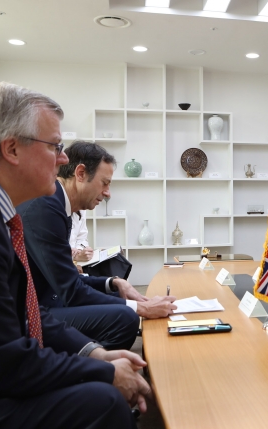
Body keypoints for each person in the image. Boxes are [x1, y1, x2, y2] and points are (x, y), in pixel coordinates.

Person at [0, 82, 149, 428]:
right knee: (103, 401)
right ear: (12, 149)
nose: (63, 159)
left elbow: (28, 311)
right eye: (55, 147)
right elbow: (5, 363)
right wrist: (106, 372)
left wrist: (96, 353)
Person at [17, 141, 176, 351]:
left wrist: (113, 282)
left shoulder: (57, 206)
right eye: (104, 183)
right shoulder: (45, 208)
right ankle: (90, 368)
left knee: (116, 298)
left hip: (51, 299)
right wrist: (142, 307)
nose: (108, 193)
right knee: (125, 316)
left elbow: (68, 278)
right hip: (36, 312)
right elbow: (70, 291)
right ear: (80, 173)